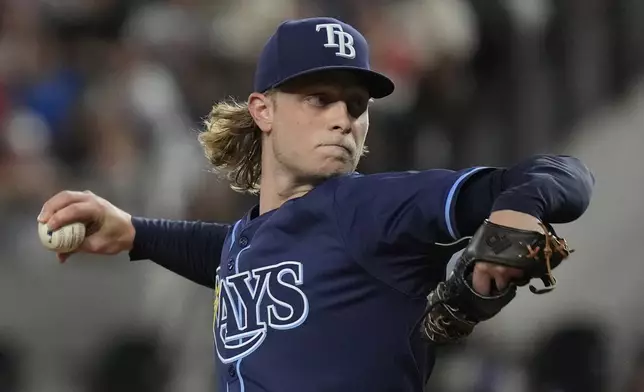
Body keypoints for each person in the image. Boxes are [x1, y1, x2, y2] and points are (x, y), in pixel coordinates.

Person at [38, 17, 594, 392]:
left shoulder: (369, 208)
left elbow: (564, 175)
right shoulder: (253, 237)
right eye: (319, 99)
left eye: (356, 104)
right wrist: (135, 231)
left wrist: (517, 206)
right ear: (263, 111)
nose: (342, 117)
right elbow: (231, 255)